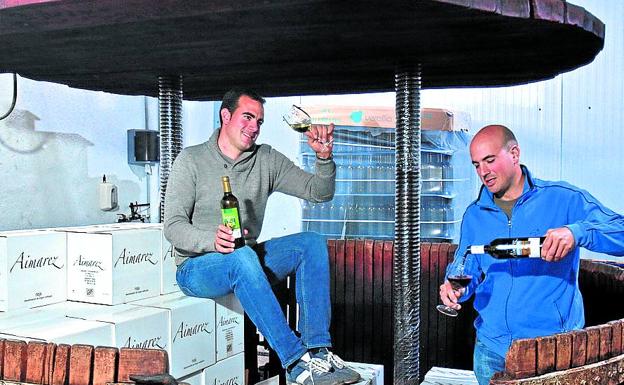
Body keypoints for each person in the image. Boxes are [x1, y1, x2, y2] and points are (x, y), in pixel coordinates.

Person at [164, 88, 360, 385]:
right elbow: (173, 227)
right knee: (242, 256)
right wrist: (212, 241)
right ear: (225, 115)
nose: (254, 127)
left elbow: (319, 193)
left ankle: (318, 351)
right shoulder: (190, 160)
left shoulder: (265, 159)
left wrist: (323, 158)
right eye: (247, 117)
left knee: (311, 243)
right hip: (197, 268)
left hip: (246, 261)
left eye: (259, 121)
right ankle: (295, 362)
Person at [438, 124, 624, 385]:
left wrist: (577, 232)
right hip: (491, 350)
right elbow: (467, 263)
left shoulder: (563, 199)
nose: (483, 172)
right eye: (477, 165)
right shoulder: (474, 215)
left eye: (490, 160)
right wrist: (455, 288)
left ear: (514, 154)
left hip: (553, 351)